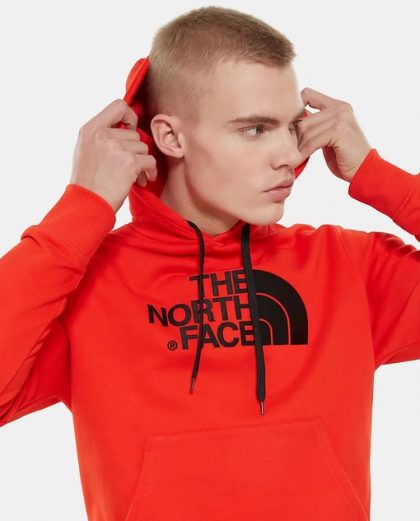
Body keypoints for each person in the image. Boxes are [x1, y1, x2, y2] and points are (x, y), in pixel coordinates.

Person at [0, 5, 418, 521]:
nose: (289, 155)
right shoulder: (86, 284)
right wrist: (84, 207)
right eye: (254, 129)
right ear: (171, 137)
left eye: (291, 127)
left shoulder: (348, 266)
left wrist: (378, 174)